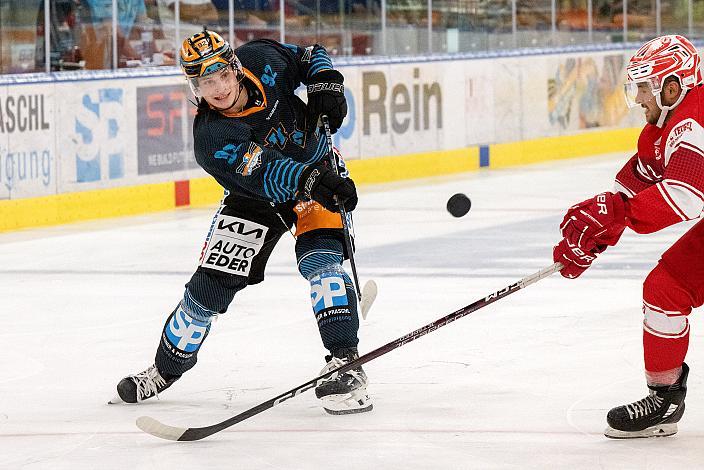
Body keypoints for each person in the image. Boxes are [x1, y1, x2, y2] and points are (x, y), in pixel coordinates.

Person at [109, 30, 372, 415]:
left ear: (235, 66)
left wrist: (325, 81)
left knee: (321, 262)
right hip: (257, 198)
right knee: (205, 293)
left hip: (317, 174)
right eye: (203, 81)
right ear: (194, 85)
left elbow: (309, 54)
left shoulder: (262, 58)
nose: (216, 88)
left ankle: (345, 363)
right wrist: (316, 181)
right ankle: (164, 371)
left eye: (221, 75)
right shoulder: (212, 136)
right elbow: (268, 172)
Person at [553, 34, 703, 438]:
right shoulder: (664, 127)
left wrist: (619, 216)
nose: (637, 98)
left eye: (643, 87)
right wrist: (595, 229)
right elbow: (633, 186)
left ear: (671, 87)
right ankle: (665, 399)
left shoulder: (694, 119)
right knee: (665, 289)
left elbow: (685, 197)